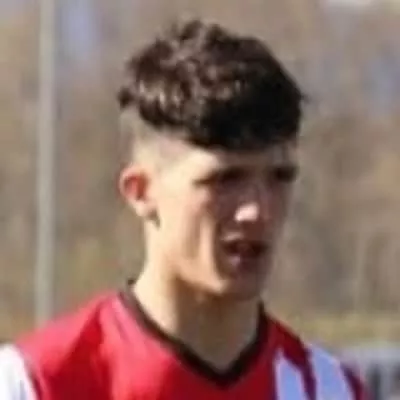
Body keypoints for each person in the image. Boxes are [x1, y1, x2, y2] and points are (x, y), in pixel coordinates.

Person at [0, 18, 367, 399]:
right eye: (225, 179)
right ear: (141, 192)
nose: (257, 210)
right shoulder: (34, 384)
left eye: (280, 177)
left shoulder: (330, 390)